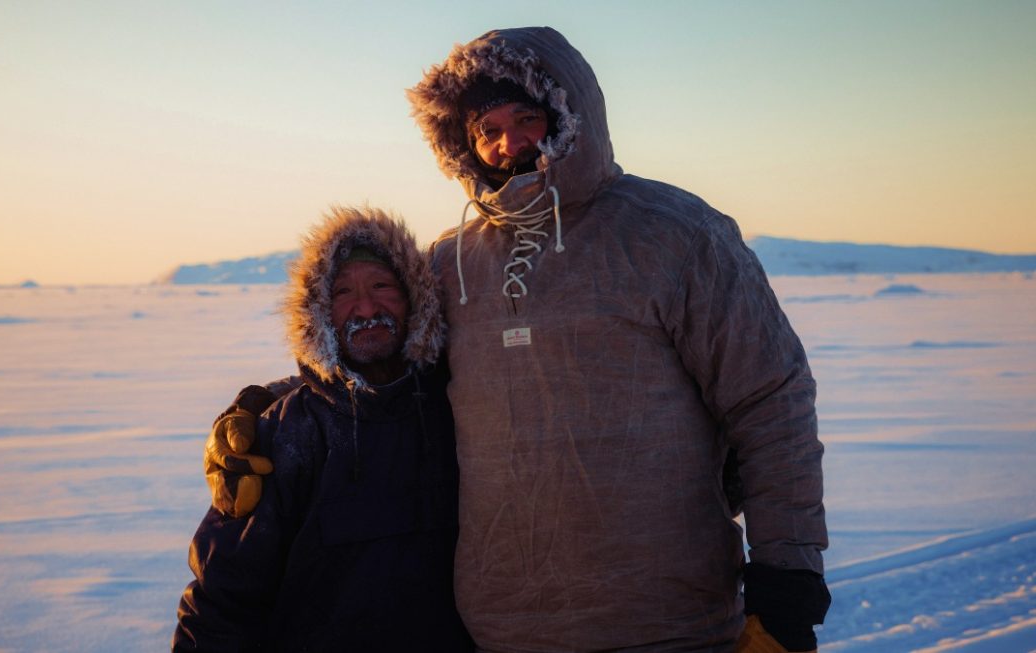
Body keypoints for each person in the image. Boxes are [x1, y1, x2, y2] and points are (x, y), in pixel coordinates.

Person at [205, 27, 830, 653]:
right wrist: (267, 416)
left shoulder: (675, 236)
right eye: (487, 130)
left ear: (570, 113)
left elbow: (771, 403)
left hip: (670, 622)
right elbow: (389, 377)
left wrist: (786, 583)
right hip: (501, 628)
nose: (509, 144)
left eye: (527, 117)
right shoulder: (451, 264)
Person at [173, 206, 472, 652]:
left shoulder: (460, 409)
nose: (366, 307)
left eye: (382, 286)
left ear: (417, 298)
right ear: (318, 313)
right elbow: (225, 593)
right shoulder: (289, 432)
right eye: (343, 292)